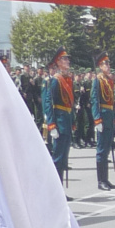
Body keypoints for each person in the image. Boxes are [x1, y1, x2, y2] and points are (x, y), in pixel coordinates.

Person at [41, 49, 75, 183]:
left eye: (67, 59)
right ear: (59, 63)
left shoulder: (67, 79)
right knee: (58, 158)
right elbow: (49, 102)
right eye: (64, 59)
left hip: (66, 120)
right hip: (59, 123)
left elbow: (70, 104)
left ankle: (60, 191)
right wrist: (52, 124)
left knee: (64, 157)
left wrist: (72, 121)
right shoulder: (55, 80)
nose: (68, 61)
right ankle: (56, 191)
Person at [93, 53, 115, 191]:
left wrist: (114, 117)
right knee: (101, 150)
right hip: (102, 116)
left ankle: (106, 179)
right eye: (105, 64)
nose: (108, 66)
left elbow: (111, 102)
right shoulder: (98, 80)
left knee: (107, 148)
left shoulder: (109, 81)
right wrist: (97, 119)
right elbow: (95, 100)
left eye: (108, 64)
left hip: (109, 117)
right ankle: (100, 180)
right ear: (100, 66)